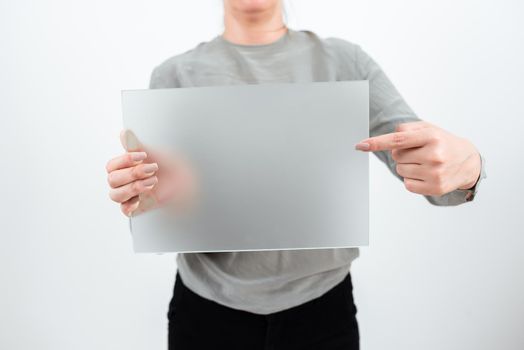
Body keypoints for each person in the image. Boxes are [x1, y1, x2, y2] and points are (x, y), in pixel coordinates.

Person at [105, 1, 485, 348]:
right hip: (205, 315)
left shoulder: (345, 62)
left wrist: (468, 167)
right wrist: (144, 204)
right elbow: (159, 222)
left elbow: (435, 176)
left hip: (322, 313)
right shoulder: (174, 75)